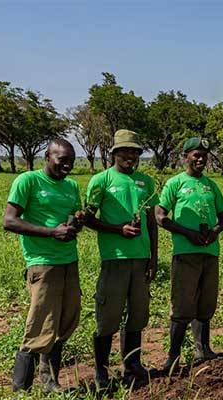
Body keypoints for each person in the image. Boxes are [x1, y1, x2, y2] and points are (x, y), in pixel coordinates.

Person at [2, 139, 82, 392]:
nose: (67, 165)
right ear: (47, 157)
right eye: (62, 160)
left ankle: (50, 382)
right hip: (43, 263)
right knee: (40, 323)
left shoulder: (71, 186)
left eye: (71, 160)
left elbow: (73, 219)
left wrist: (75, 224)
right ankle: (21, 390)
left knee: (65, 321)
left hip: (70, 261)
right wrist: (51, 232)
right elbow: (10, 221)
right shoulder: (28, 181)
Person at [83, 130, 158, 388]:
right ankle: (101, 371)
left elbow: (151, 222)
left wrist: (154, 258)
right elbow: (88, 218)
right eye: (125, 151)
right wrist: (118, 230)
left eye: (135, 152)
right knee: (109, 316)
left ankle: (132, 365)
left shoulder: (146, 182)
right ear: (114, 153)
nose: (130, 156)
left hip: (141, 259)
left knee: (138, 313)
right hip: (114, 259)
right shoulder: (101, 180)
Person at [154, 137, 223, 373]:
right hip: (186, 253)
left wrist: (214, 232)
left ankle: (203, 349)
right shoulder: (175, 183)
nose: (200, 159)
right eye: (196, 155)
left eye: (204, 155)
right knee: (182, 305)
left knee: (206, 303)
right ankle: (173, 356)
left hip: (210, 253)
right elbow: (160, 216)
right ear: (184, 157)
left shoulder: (210, 185)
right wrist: (188, 233)